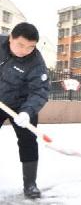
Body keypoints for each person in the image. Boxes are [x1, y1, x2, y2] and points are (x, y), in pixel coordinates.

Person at [0, 23, 49, 199]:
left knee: (28, 140)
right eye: (20, 45)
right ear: (10, 37)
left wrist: (28, 112)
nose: (25, 50)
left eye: (30, 47)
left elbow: (40, 91)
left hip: (22, 105)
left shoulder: (36, 62)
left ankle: (30, 184)